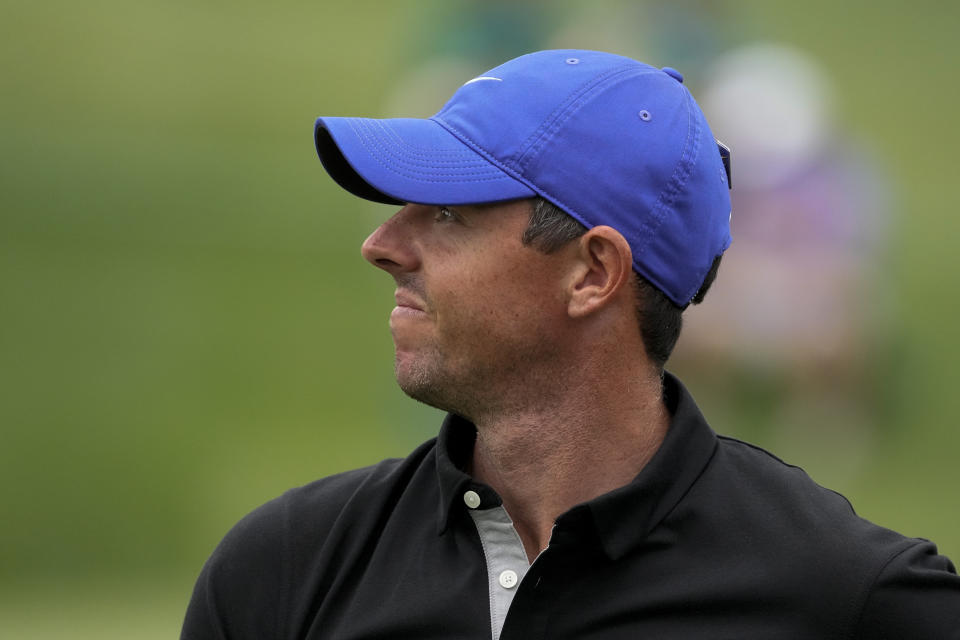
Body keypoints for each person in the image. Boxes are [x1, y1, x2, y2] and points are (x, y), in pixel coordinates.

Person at [181, 50, 960, 639]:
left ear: (593, 274)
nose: (382, 244)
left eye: (449, 215)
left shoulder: (845, 598)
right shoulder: (282, 573)